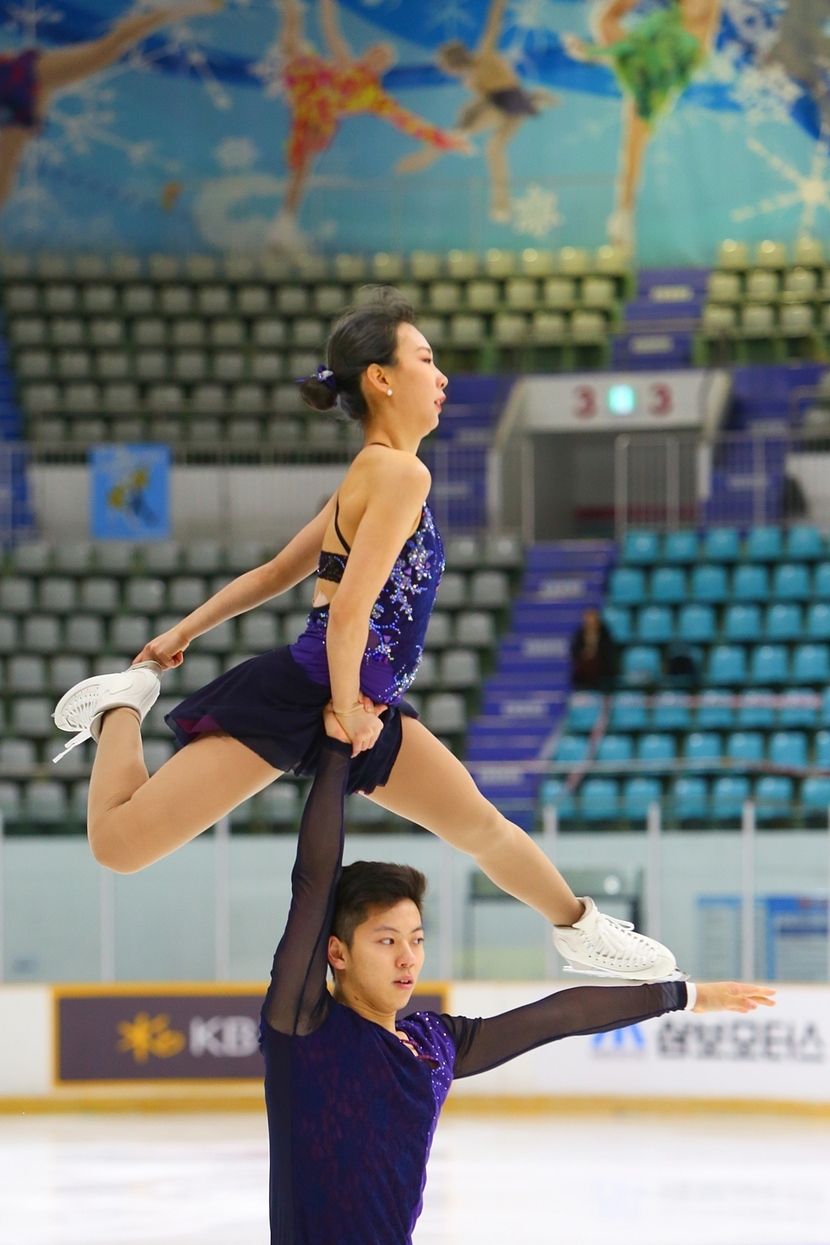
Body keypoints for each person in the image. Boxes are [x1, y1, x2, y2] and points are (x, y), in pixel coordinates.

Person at [54, 285, 677, 981]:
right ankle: (120, 704)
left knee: (478, 822)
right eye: (426, 358)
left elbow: (274, 574)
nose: (442, 378)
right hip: (317, 692)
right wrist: (345, 707)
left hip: (360, 699)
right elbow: (347, 611)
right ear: (380, 378)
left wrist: (183, 630)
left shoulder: (371, 473)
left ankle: (583, 931)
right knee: (119, 844)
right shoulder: (401, 473)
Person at [260, 709, 776, 1245]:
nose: (408, 959)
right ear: (336, 953)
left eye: (416, 939)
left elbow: (556, 1017)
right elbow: (314, 883)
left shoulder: (432, 1046)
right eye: (387, 941)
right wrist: (337, 753)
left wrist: (683, 995)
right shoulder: (304, 1030)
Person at [268, 0, 470, 252]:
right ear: (366, 53)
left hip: (317, 114)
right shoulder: (346, 61)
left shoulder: (375, 97)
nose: (377, 57)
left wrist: (442, 139)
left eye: (383, 57)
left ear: (384, 67)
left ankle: (284, 224)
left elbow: (408, 122)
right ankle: (290, 9)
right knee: (291, 42)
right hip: (307, 80)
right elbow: (330, 28)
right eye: (375, 52)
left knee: (302, 164)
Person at [0, 0, 224, 211]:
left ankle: (170, 9)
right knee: (5, 177)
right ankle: (168, 11)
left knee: (103, 51)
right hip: (15, 99)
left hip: (14, 81)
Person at [563, 0, 720, 250]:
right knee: (631, 150)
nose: (693, 4)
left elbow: (688, 66)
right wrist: (592, 52)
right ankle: (623, 216)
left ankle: (623, 214)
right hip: (641, 71)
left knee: (633, 151)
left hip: (656, 89)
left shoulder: (701, 36)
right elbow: (630, 45)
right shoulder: (663, 22)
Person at [396, 0, 559, 222]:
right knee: (491, 147)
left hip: (511, 100)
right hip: (508, 102)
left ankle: (435, 153)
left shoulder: (484, 56)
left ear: (453, 64)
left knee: (477, 136)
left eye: (446, 68)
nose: (448, 72)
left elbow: (493, 25)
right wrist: (470, 111)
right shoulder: (471, 80)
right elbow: (483, 99)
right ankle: (500, 200)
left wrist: (498, 5)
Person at [570, 606, 618, 690]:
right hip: (583, 673)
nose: (590, 622)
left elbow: (608, 653)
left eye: (592, 620)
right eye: (587, 620)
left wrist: (594, 653)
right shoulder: (579, 635)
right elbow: (574, 651)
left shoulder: (605, 634)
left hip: (602, 670)